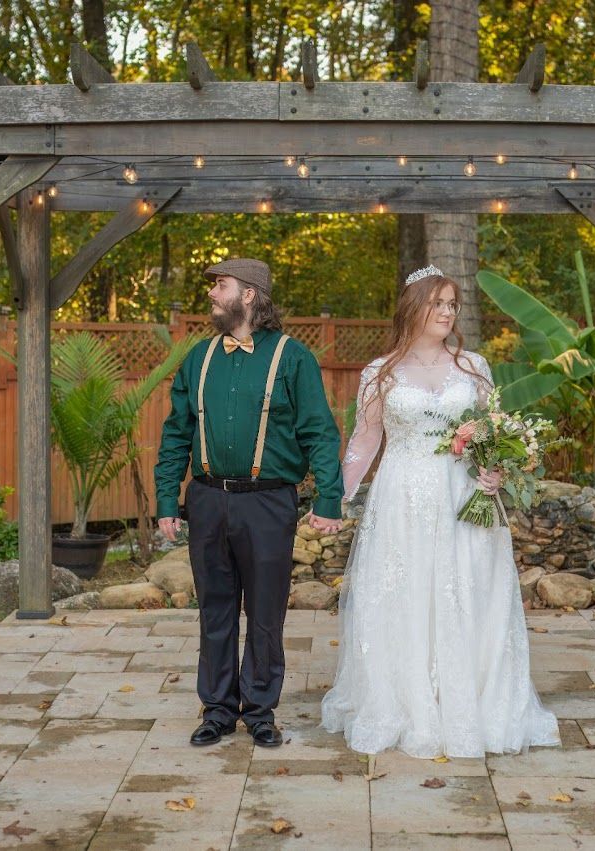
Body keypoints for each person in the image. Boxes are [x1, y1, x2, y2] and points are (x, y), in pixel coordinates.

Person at [321, 265, 560, 759]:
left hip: (464, 497)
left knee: (473, 592)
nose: (448, 312)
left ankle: (473, 702)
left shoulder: (473, 367)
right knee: (405, 594)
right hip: (402, 499)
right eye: (439, 303)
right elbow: (365, 442)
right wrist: (335, 498)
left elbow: (494, 433)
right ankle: (407, 702)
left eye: (453, 304)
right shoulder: (380, 372)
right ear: (414, 306)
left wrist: (495, 470)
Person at [154, 257, 343, 748]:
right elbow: (176, 433)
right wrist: (166, 501)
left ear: (251, 295)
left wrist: (329, 497)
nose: (213, 294)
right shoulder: (198, 358)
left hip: (268, 504)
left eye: (221, 285)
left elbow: (320, 432)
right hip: (208, 501)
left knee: (264, 612)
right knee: (214, 609)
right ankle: (217, 709)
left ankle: (259, 710)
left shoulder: (292, 358)